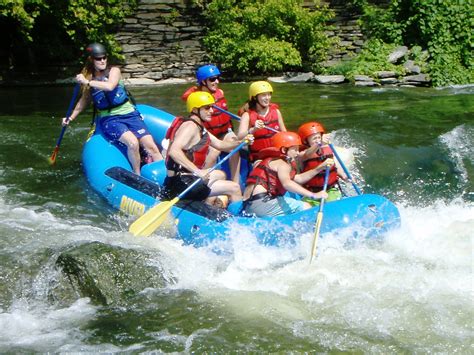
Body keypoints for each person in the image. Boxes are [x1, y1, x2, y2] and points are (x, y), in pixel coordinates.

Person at [62, 43, 162, 175]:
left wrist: (87, 82)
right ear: (92, 60)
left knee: (151, 146)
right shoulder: (90, 78)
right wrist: (71, 117)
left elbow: (110, 86)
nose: (102, 61)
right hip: (110, 119)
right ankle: (137, 176)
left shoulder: (114, 71)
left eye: (104, 57)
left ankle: (166, 177)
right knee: (132, 143)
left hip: (130, 114)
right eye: (98, 58)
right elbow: (84, 100)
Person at [164, 91, 251, 205]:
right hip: (181, 184)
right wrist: (197, 171)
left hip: (188, 179)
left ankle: (209, 204)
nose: (211, 111)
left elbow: (220, 145)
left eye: (211, 107)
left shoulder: (199, 127)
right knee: (234, 188)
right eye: (207, 108)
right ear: (195, 110)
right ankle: (235, 221)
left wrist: (242, 142)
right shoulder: (190, 126)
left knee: (221, 174)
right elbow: (174, 151)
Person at [242, 132, 330, 217]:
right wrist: (313, 195)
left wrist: (320, 168)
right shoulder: (282, 164)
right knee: (305, 206)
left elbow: (299, 179)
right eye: (295, 149)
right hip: (263, 202)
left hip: (248, 205)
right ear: (284, 149)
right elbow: (287, 184)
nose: (297, 153)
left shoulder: (272, 160)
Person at [181, 65, 241, 184]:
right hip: (207, 133)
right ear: (203, 81)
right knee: (213, 154)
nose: (217, 82)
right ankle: (203, 182)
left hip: (224, 132)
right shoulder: (196, 98)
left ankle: (236, 182)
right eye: (212, 79)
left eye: (217, 78)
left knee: (235, 146)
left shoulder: (220, 93)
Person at [298, 121, 348, 204]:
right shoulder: (302, 154)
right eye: (314, 139)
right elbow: (308, 155)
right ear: (306, 141)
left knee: (331, 204)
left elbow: (335, 168)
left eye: (319, 137)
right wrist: (319, 143)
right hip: (312, 192)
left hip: (330, 190)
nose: (317, 140)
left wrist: (344, 176)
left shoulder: (327, 150)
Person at [237, 81, 287, 162]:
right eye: (264, 95)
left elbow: (284, 133)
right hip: (259, 158)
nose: (267, 98)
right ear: (255, 97)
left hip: (277, 154)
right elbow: (239, 136)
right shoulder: (247, 115)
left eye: (269, 94)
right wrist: (254, 129)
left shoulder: (276, 112)